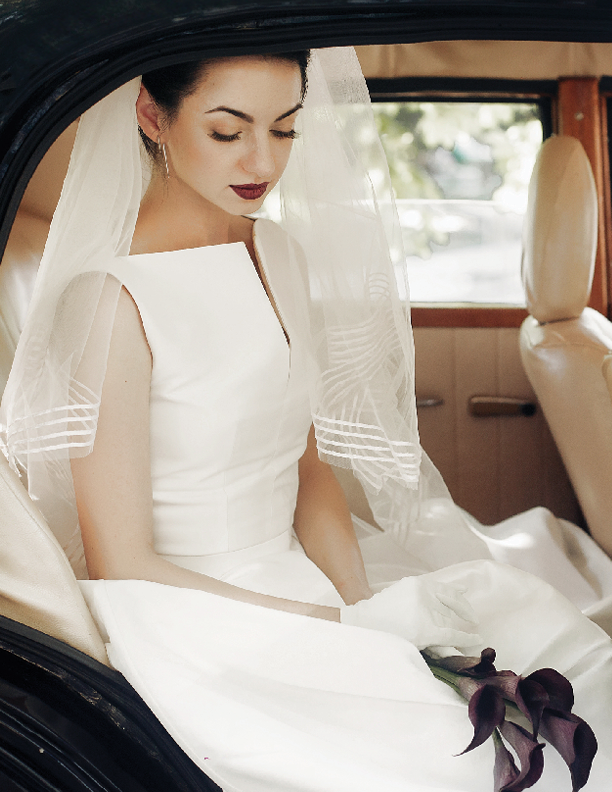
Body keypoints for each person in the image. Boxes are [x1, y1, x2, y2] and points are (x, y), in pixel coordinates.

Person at [2, 47, 612, 791]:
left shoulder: (281, 252)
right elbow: (122, 561)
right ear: (152, 116)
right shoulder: (109, 299)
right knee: (440, 764)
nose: (263, 159)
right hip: (190, 615)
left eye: (285, 129)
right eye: (228, 132)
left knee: (527, 632)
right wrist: (329, 631)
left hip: (299, 572)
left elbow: (310, 467)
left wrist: (362, 608)